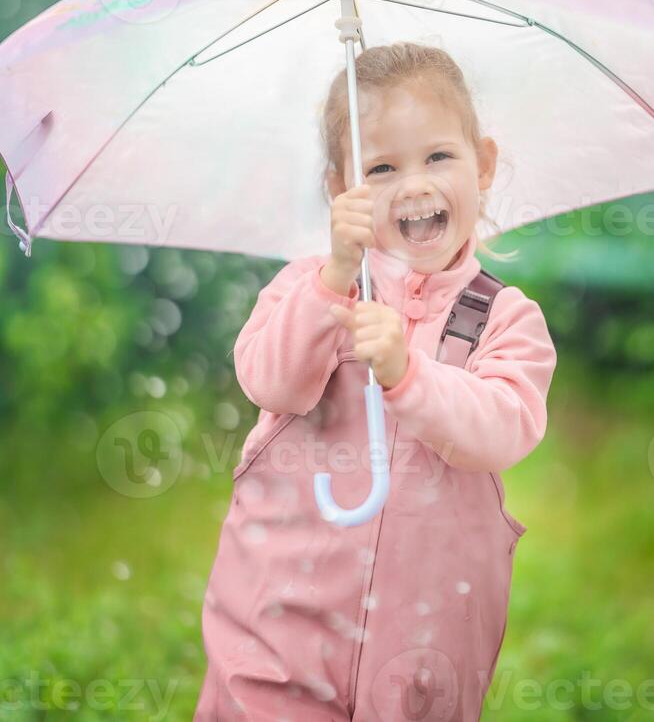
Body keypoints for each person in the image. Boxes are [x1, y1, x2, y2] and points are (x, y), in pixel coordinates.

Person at [194, 42, 557, 722]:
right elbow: (269, 381)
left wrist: (409, 374)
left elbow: (504, 425)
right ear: (341, 191)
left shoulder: (508, 318)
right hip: (279, 623)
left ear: (484, 164)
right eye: (382, 167)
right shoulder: (313, 286)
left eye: (438, 157)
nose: (414, 184)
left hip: (423, 646)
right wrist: (332, 282)